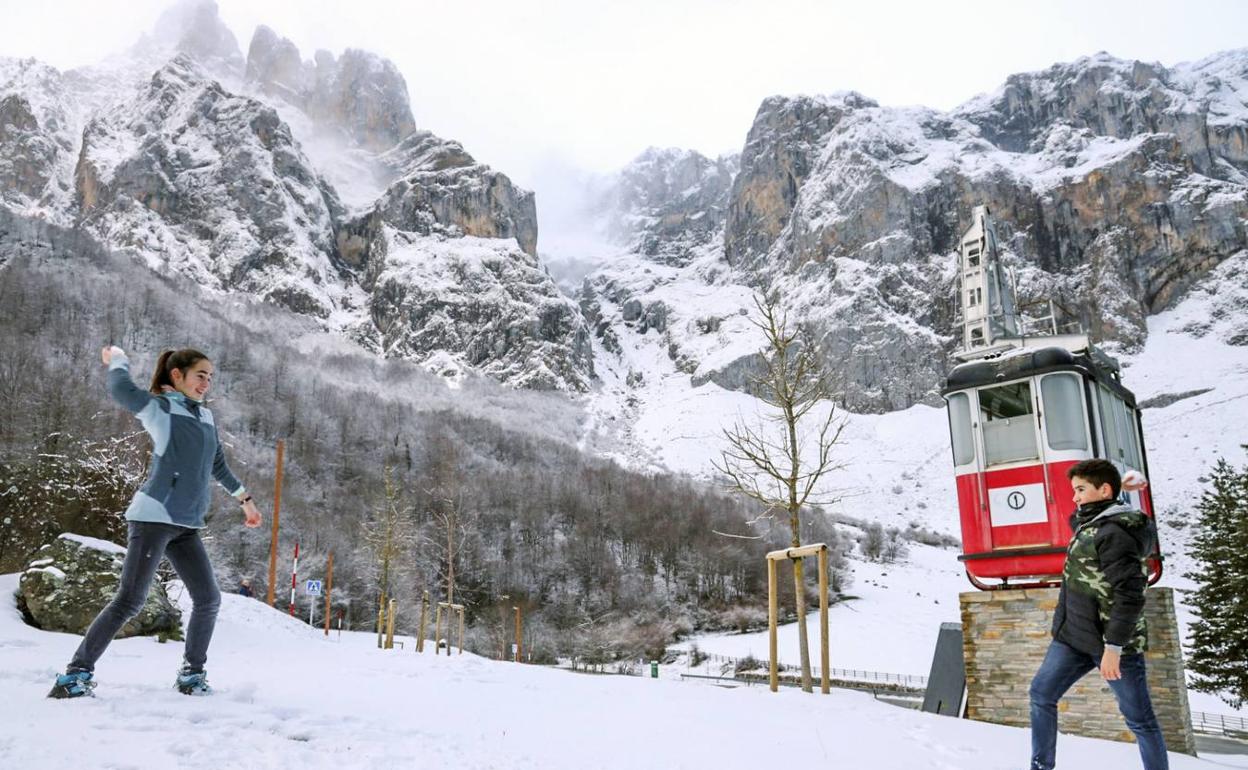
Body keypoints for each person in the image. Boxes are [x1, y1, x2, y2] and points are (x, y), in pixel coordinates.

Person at [48, 346, 263, 699]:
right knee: (130, 600)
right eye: (200, 375)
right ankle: (75, 675)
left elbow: (218, 465)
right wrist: (117, 359)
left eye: (210, 377)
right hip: (154, 517)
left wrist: (246, 502)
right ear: (176, 376)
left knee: (208, 599)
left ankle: (192, 675)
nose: (206, 382)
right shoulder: (162, 409)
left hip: (187, 525)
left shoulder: (205, 418)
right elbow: (121, 390)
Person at [1027, 459, 1167, 770]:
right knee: (1041, 693)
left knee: (1140, 720)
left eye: (1080, 490)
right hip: (1075, 636)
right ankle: (1041, 766)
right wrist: (1118, 495)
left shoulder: (1116, 534)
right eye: (1073, 490)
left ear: (1102, 490)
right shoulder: (1095, 522)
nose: (1074, 497)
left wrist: (1114, 649)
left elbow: (1130, 596)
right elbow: (1078, 522)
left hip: (1113, 645)